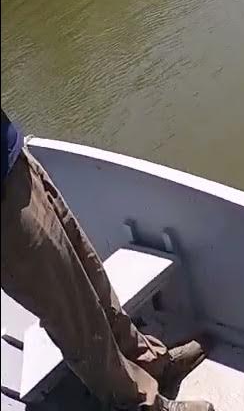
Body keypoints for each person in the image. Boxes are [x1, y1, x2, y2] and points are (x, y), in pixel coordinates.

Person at [1, 110, 214, 411]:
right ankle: (139, 404)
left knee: (92, 279)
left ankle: (150, 364)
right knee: (74, 315)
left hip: (14, 162)